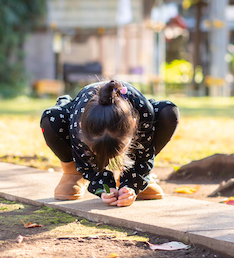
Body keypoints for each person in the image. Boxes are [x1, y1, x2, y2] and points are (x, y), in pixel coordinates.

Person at [40, 80, 179, 207]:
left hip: (138, 118)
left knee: (169, 113)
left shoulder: (142, 113)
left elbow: (144, 152)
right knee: (51, 119)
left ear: (133, 125)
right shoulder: (78, 123)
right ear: (82, 128)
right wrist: (104, 187)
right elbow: (85, 160)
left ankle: (136, 174)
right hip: (77, 115)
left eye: (119, 150)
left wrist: (131, 185)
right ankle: (73, 173)